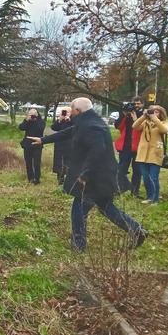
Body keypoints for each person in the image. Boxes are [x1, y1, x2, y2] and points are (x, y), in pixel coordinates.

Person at [29, 97, 147, 251]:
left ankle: (79, 245)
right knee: (106, 207)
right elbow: (70, 132)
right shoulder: (87, 121)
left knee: (78, 208)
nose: (70, 113)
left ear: (78, 111)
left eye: (72, 109)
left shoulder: (91, 125)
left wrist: (85, 175)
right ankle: (137, 230)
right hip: (101, 175)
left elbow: (98, 150)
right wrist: (43, 140)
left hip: (96, 177)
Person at [133, 104, 168, 204]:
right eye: (152, 111)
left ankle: (155, 199)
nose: (154, 113)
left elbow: (164, 130)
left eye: (156, 112)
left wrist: (154, 118)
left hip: (155, 154)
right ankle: (149, 197)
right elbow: (135, 126)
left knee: (153, 177)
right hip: (143, 154)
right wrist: (144, 116)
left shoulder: (163, 122)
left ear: (161, 114)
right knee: (145, 177)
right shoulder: (145, 122)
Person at [114, 96, 144, 196]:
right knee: (121, 170)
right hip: (125, 147)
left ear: (142, 104)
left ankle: (135, 192)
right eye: (134, 104)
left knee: (137, 171)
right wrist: (124, 114)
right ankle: (118, 190)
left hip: (138, 147)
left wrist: (136, 118)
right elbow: (118, 126)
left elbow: (143, 128)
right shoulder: (126, 115)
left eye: (138, 104)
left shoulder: (143, 115)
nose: (136, 106)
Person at [19, 108, 45, 184]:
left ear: (37, 114)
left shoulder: (41, 121)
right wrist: (27, 119)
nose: (32, 115)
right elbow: (21, 128)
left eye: (34, 113)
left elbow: (40, 129)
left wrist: (36, 120)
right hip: (27, 144)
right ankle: (30, 178)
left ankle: (37, 179)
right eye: (31, 114)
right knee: (28, 162)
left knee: (37, 163)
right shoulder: (27, 121)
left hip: (37, 144)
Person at [51, 108, 73, 184]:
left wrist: (69, 120)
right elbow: (53, 128)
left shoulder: (73, 120)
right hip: (59, 144)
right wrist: (59, 120)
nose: (65, 113)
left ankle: (69, 179)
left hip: (69, 144)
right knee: (59, 162)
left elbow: (73, 130)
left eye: (67, 112)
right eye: (64, 112)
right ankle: (60, 179)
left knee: (68, 162)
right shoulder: (61, 120)